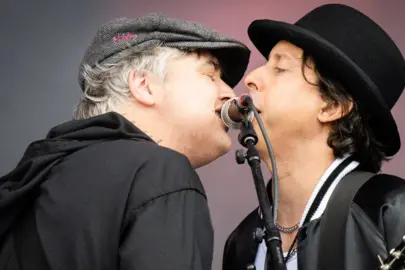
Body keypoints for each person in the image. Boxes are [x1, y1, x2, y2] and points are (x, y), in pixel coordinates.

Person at [222, 4, 405, 270]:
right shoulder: (241, 245)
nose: (250, 78)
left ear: (333, 106)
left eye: (280, 68)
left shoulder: (402, 216)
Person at [0, 13, 250, 270]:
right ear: (144, 85)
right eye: (210, 76)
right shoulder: (160, 171)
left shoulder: (36, 181)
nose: (228, 93)